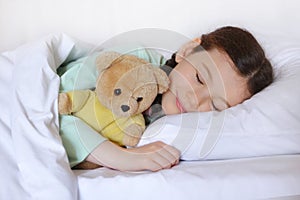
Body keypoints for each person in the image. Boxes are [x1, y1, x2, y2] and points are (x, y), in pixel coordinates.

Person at [61, 26, 274, 172]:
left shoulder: (171, 130)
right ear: (188, 51)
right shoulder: (135, 62)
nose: (194, 100)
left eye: (215, 105)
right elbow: (51, 107)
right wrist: (121, 158)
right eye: (199, 78)